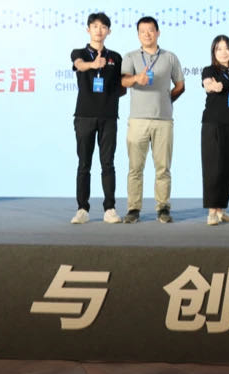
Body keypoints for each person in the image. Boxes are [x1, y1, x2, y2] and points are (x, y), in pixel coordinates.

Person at [120, 16, 185, 223]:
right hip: (137, 120)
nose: (147, 34)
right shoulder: (130, 57)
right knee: (135, 168)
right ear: (138, 34)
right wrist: (136, 78)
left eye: (150, 30)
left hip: (163, 120)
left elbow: (180, 85)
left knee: (163, 168)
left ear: (158, 32)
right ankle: (133, 209)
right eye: (142, 31)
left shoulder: (170, 57)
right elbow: (123, 81)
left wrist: (166, 99)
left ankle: (163, 208)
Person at [69, 12, 125, 224]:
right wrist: (93, 65)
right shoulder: (80, 53)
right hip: (84, 116)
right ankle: (82, 209)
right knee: (84, 164)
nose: (99, 30)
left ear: (109, 31)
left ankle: (109, 208)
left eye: (103, 27)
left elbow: (121, 85)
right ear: (88, 29)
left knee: (108, 163)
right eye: (95, 26)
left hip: (108, 117)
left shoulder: (115, 57)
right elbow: (79, 65)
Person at [199, 35, 229, 226]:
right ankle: (212, 211)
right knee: (213, 168)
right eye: (219, 48)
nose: (223, 52)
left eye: (227, 48)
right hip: (214, 125)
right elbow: (207, 84)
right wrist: (214, 86)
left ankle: (221, 210)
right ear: (214, 52)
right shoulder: (210, 70)